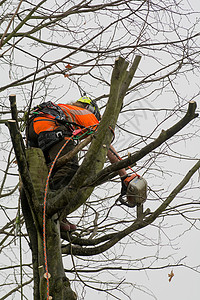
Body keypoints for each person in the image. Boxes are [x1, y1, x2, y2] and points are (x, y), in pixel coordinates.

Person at [27, 96, 128, 231]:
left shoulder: (67, 109)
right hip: (51, 127)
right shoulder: (87, 115)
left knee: (48, 173)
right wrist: (124, 175)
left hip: (33, 128)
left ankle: (57, 214)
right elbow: (106, 143)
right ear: (90, 109)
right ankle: (54, 208)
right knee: (69, 169)